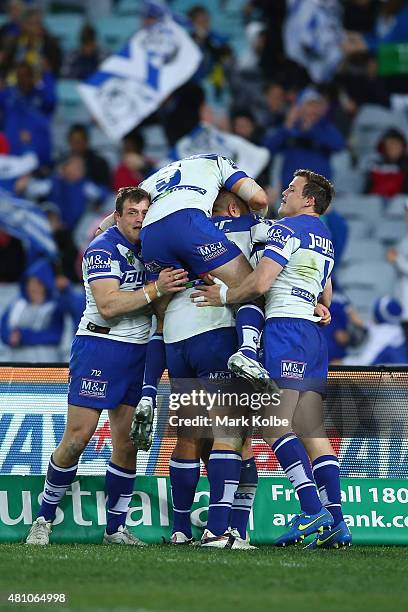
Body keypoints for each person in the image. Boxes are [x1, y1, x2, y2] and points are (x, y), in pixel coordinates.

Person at [192, 169, 352, 549]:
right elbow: (325, 298)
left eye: (293, 190)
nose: (284, 193)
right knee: (312, 432)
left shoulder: (287, 229)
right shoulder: (326, 237)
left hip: (285, 332)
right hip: (313, 337)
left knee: (270, 424)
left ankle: (312, 508)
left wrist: (225, 296)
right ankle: (338, 524)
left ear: (309, 200)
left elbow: (261, 284)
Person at [25, 186, 188, 545]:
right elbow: (109, 305)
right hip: (100, 346)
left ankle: (115, 529)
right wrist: (155, 289)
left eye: (145, 212)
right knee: (78, 437)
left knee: (128, 442)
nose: (139, 219)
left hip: (139, 350)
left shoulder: (153, 249)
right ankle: (43, 519)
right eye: (132, 212)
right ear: (117, 216)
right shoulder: (102, 248)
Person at [99, 154, 272, 389]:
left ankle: (148, 392)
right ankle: (248, 354)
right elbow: (260, 199)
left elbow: (107, 226)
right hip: (189, 221)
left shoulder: (151, 179)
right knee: (250, 288)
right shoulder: (217, 161)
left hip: (151, 237)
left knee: (160, 318)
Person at [343, 296, 408, 365]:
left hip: (397, 374)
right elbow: (369, 326)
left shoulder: (385, 334)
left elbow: (365, 363)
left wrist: (343, 362)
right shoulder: (395, 328)